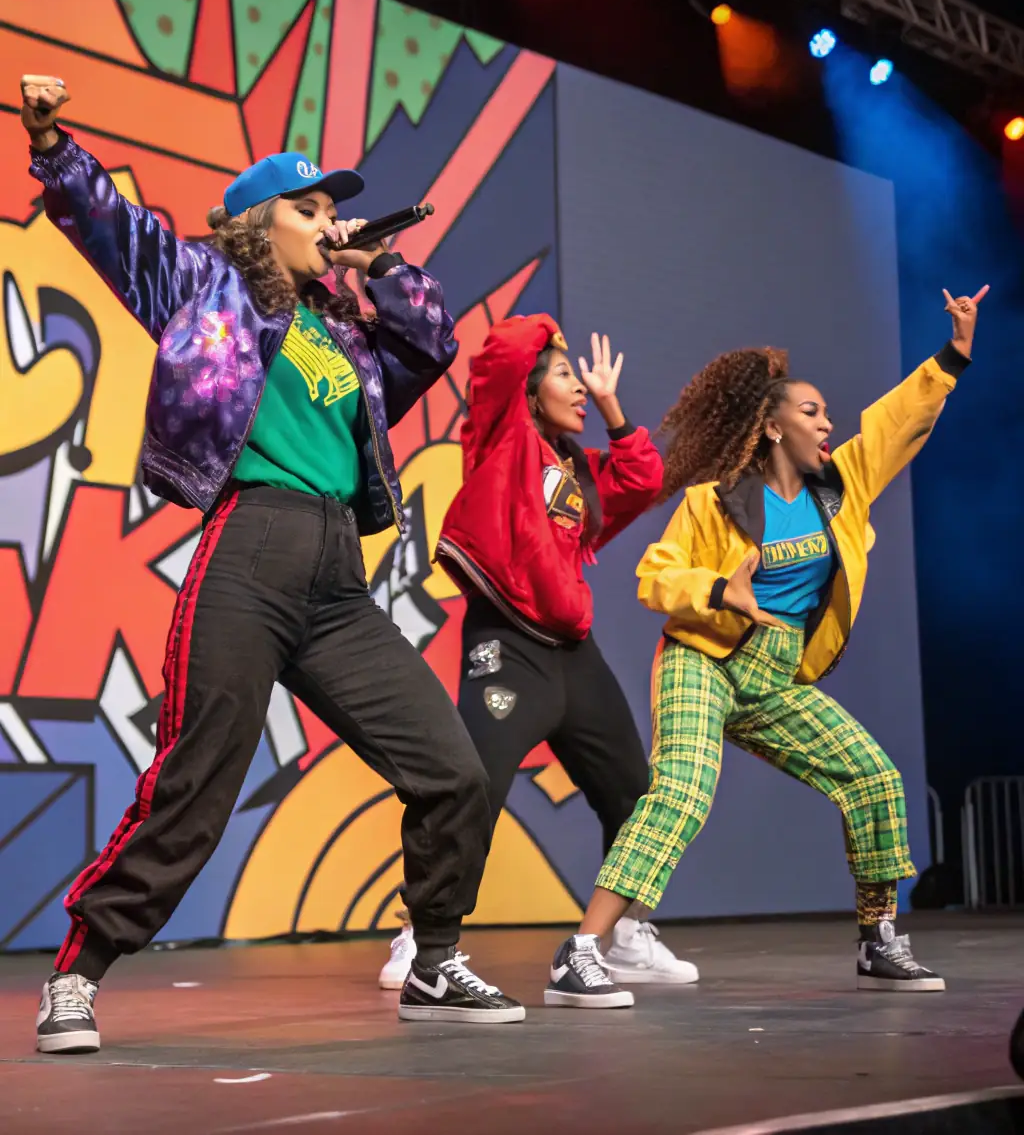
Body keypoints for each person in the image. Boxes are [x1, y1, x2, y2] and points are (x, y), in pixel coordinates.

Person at [21, 73, 525, 1053]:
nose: (328, 221)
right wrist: (51, 144)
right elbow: (113, 227)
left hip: (336, 579)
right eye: (309, 208)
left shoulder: (343, 332)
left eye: (334, 208)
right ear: (259, 224)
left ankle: (434, 960)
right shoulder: (205, 288)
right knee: (199, 776)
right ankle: (77, 976)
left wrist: (374, 260)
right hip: (251, 549)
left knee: (451, 769)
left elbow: (427, 341)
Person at [544, 287, 987, 1007]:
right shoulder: (714, 500)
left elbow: (895, 419)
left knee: (873, 776)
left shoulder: (840, 487)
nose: (828, 422)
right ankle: (583, 949)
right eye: (811, 412)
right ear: (773, 425)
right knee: (682, 790)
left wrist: (953, 356)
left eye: (825, 413)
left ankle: (878, 938)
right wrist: (722, 590)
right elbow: (655, 576)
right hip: (705, 657)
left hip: (778, 674)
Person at [378, 316, 698, 995]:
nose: (578, 386)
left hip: (573, 656)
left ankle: (627, 932)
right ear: (525, 390)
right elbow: (498, 359)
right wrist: (545, 334)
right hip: (508, 645)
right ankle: (422, 932)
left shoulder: (575, 470)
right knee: (474, 790)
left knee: (635, 796)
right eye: (562, 373)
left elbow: (642, 480)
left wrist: (612, 409)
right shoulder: (502, 441)